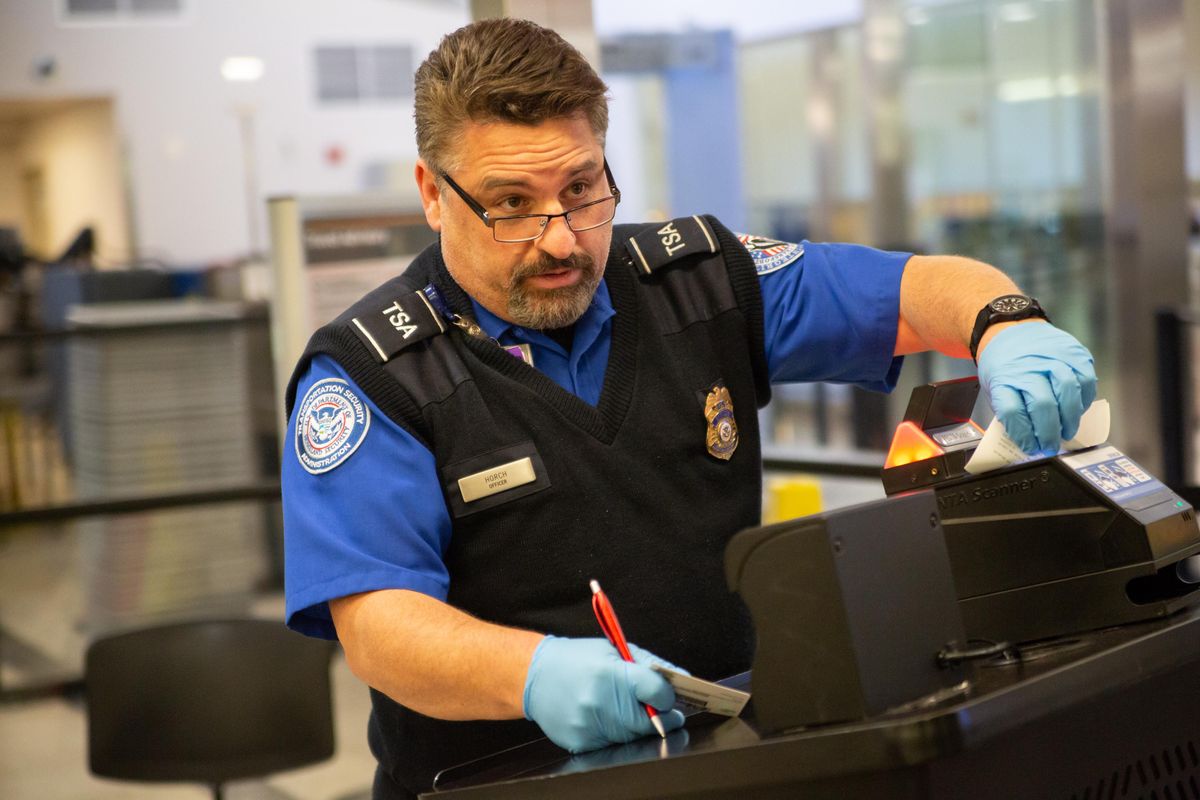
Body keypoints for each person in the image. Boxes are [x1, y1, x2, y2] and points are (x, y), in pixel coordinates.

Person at [282, 18, 1097, 799]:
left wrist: (1006, 325)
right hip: (501, 779)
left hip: (725, 761)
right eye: (511, 205)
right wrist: (533, 675)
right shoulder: (373, 373)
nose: (562, 238)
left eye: (582, 188)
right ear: (432, 193)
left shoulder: (699, 280)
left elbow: (918, 289)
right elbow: (380, 625)